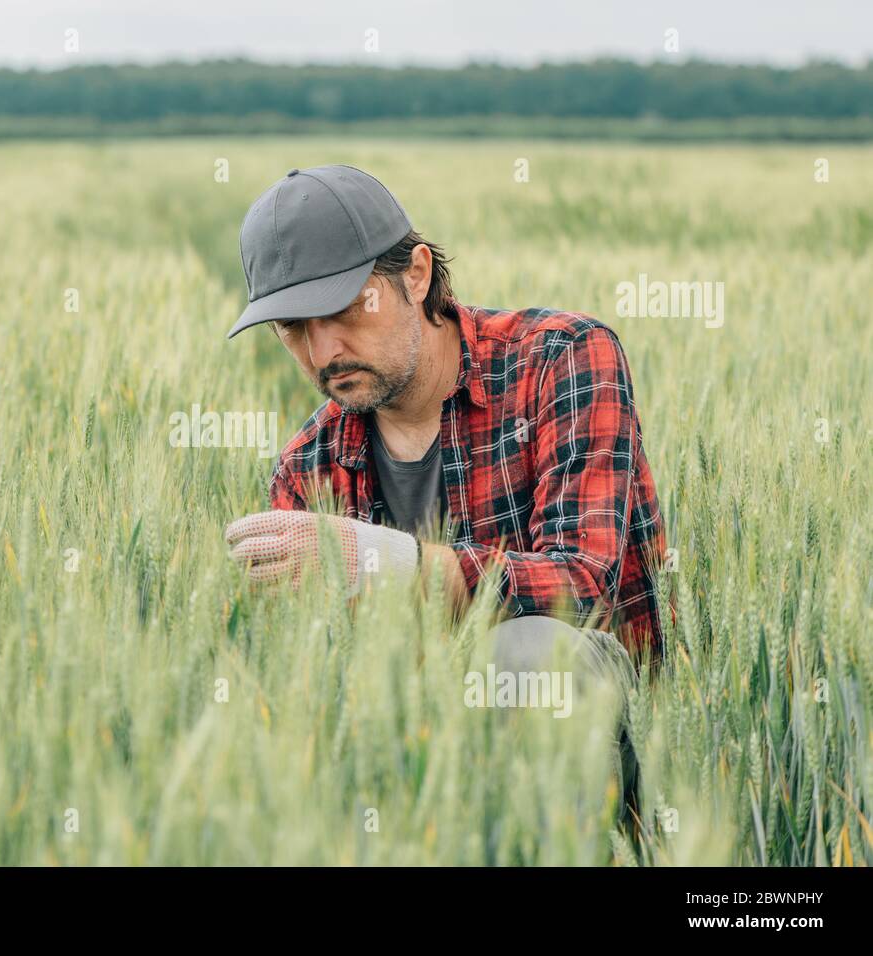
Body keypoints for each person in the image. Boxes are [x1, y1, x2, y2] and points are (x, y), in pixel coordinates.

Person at [223, 165, 672, 837]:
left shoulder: (563, 360)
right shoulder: (307, 469)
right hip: (420, 759)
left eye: (343, 309)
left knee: (526, 653)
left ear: (417, 274)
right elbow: (318, 686)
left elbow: (581, 586)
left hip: (601, 734)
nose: (323, 351)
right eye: (292, 328)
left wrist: (391, 563)